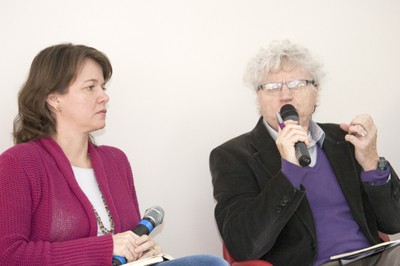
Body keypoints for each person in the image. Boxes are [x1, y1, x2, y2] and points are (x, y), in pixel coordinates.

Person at [0, 43, 228, 266]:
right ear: (54, 98)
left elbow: (126, 240)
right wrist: (106, 247)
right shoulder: (19, 163)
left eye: (103, 87)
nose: (104, 97)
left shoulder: (116, 161)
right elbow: (8, 255)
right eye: (90, 87)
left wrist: (143, 251)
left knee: (209, 263)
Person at [209, 40, 400, 266]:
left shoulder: (345, 139)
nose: (285, 95)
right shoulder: (233, 156)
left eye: (298, 83)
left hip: (375, 258)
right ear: (259, 99)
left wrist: (370, 161)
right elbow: (243, 245)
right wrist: (289, 173)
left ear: (316, 93)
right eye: (271, 87)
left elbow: (394, 223)